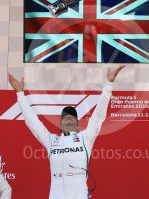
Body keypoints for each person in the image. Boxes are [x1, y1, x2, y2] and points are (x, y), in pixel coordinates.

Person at [8, 65, 125, 199]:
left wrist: (109, 84)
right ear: (60, 124)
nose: (68, 117)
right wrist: (20, 94)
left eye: (72, 115)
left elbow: (98, 116)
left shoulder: (85, 138)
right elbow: (32, 122)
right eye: (64, 116)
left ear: (77, 124)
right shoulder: (51, 140)